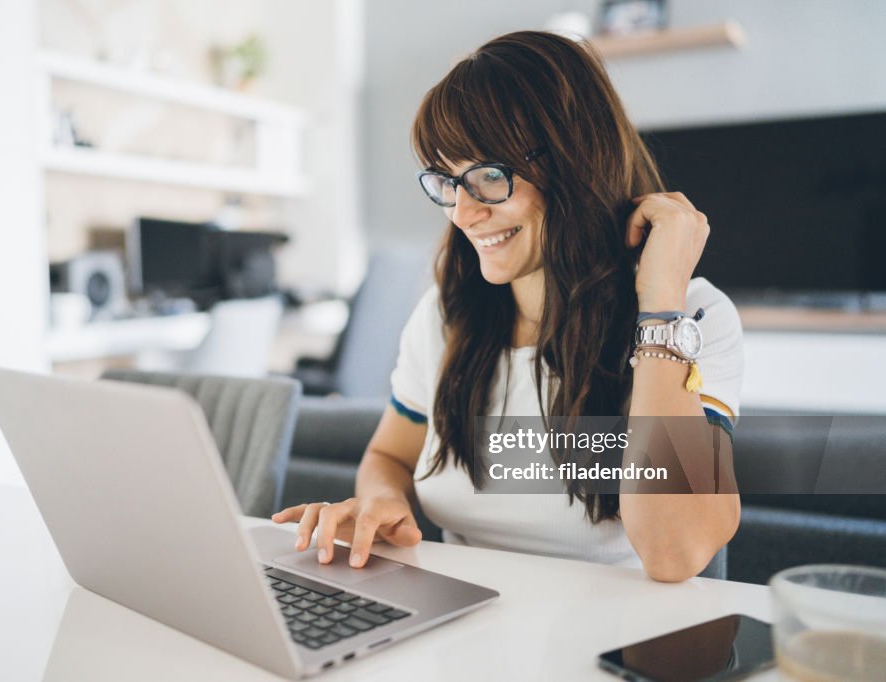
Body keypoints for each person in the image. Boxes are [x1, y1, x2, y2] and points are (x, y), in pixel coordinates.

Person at [273, 30, 743, 582]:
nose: (462, 213)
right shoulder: (445, 317)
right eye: (448, 181)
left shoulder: (694, 319)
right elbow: (388, 458)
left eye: (490, 176)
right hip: (458, 624)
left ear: (576, 162)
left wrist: (661, 309)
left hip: (617, 642)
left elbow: (676, 555)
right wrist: (382, 500)